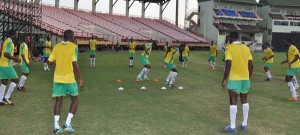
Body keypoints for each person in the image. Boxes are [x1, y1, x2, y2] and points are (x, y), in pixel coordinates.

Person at [48, 30, 84, 134]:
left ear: (63, 37)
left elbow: (49, 62)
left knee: (58, 101)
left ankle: (56, 127)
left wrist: (57, 60)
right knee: (75, 100)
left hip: (58, 78)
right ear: (72, 37)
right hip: (69, 79)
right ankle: (67, 124)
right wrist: (80, 77)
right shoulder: (73, 47)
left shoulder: (56, 46)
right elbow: (74, 62)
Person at [222, 32, 253, 133]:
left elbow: (228, 63)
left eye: (229, 38)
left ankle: (232, 127)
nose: (228, 39)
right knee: (245, 100)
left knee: (233, 101)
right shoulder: (246, 48)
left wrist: (224, 79)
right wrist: (248, 77)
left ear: (232, 38)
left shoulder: (229, 47)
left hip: (235, 79)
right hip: (245, 79)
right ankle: (244, 124)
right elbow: (251, 65)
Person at [0, 30, 20, 105]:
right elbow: (6, 54)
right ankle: (6, 97)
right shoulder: (10, 42)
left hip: (2, 64)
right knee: (15, 80)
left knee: (4, 81)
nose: (17, 36)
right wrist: (16, 58)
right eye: (17, 34)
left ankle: (0, 99)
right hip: (6, 65)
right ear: (14, 34)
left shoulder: (6, 41)